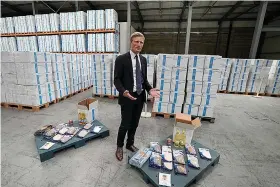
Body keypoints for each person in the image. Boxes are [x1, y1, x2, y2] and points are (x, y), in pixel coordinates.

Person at [114, 32, 160, 161]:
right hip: (127, 97)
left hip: (139, 97)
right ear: (131, 42)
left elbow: (143, 80)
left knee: (135, 123)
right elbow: (117, 80)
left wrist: (150, 90)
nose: (139, 44)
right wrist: (123, 91)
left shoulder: (143, 60)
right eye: (136, 41)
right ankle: (119, 146)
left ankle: (130, 144)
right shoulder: (121, 59)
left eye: (141, 42)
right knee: (125, 124)